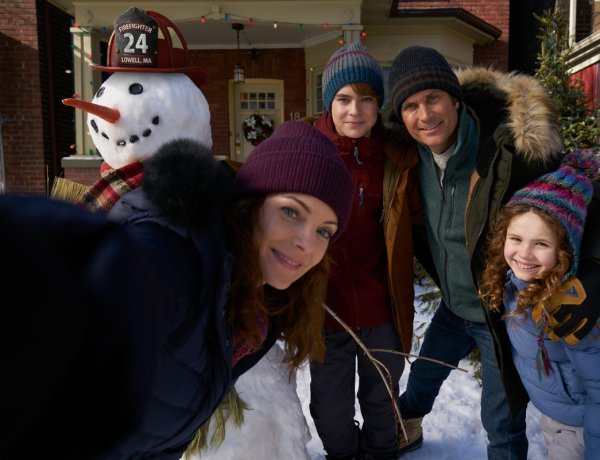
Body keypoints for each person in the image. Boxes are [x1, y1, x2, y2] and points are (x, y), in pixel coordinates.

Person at [386, 45, 600, 459]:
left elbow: (587, 190)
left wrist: (594, 265)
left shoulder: (511, 150)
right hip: (454, 306)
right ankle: (406, 426)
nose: (424, 115)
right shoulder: (407, 157)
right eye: (410, 106)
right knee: (422, 380)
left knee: (501, 423)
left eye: (433, 98)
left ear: (455, 99)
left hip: (499, 313)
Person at [306, 42, 422, 460]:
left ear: (379, 104)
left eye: (367, 99)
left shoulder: (397, 158)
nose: (355, 110)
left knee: (382, 404)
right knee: (330, 411)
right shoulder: (306, 152)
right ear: (329, 102)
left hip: (381, 310)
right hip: (326, 311)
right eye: (344, 99)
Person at [479, 150, 600, 460]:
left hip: (580, 429)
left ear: (564, 251)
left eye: (542, 244)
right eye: (516, 238)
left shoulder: (571, 310)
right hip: (555, 414)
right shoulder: (512, 282)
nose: (524, 254)